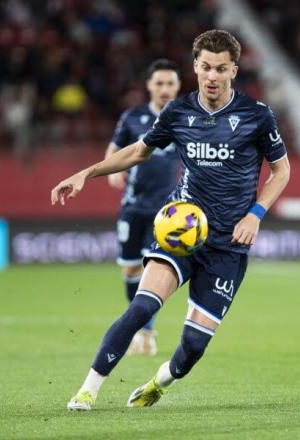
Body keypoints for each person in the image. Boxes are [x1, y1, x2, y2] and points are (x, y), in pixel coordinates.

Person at [51, 29, 291, 411]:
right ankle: (88, 390)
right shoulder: (178, 112)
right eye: (206, 67)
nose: (212, 76)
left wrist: (256, 214)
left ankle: (159, 382)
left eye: (221, 68)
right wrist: (87, 172)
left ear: (234, 70)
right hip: (180, 233)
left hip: (229, 245)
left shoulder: (257, 116)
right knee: (142, 307)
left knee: (193, 346)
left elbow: (281, 171)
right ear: (195, 66)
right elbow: (137, 152)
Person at [104, 59, 181, 356]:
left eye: (170, 84)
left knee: (153, 271)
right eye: (159, 83)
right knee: (131, 270)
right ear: (149, 85)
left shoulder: (185, 119)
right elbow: (113, 152)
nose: (164, 89)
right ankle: (142, 325)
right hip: (134, 208)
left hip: (167, 213)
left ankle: (146, 331)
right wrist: (113, 170)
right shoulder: (132, 118)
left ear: (177, 87)